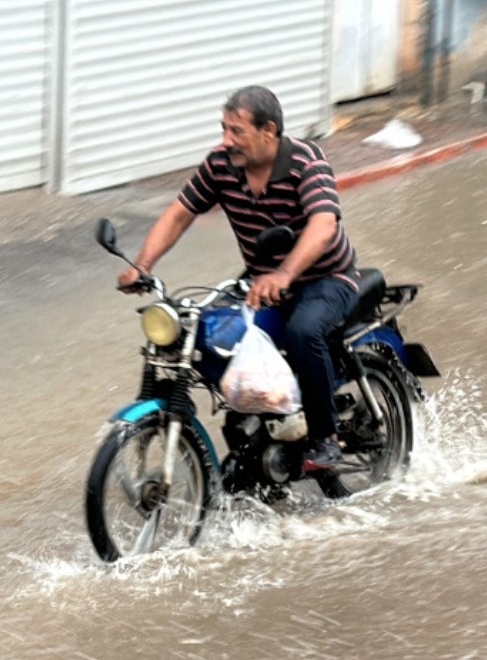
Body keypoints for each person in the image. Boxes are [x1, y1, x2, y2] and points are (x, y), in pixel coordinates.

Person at [117, 85, 361, 471]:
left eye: (236, 131)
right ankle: (252, 436)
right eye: (223, 129)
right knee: (209, 332)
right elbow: (181, 212)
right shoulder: (221, 164)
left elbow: (323, 224)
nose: (226, 140)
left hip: (325, 277)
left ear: (268, 131)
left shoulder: (305, 161)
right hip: (261, 282)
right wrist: (143, 265)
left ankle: (324, 439)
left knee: (303, 331)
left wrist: (284, 272)